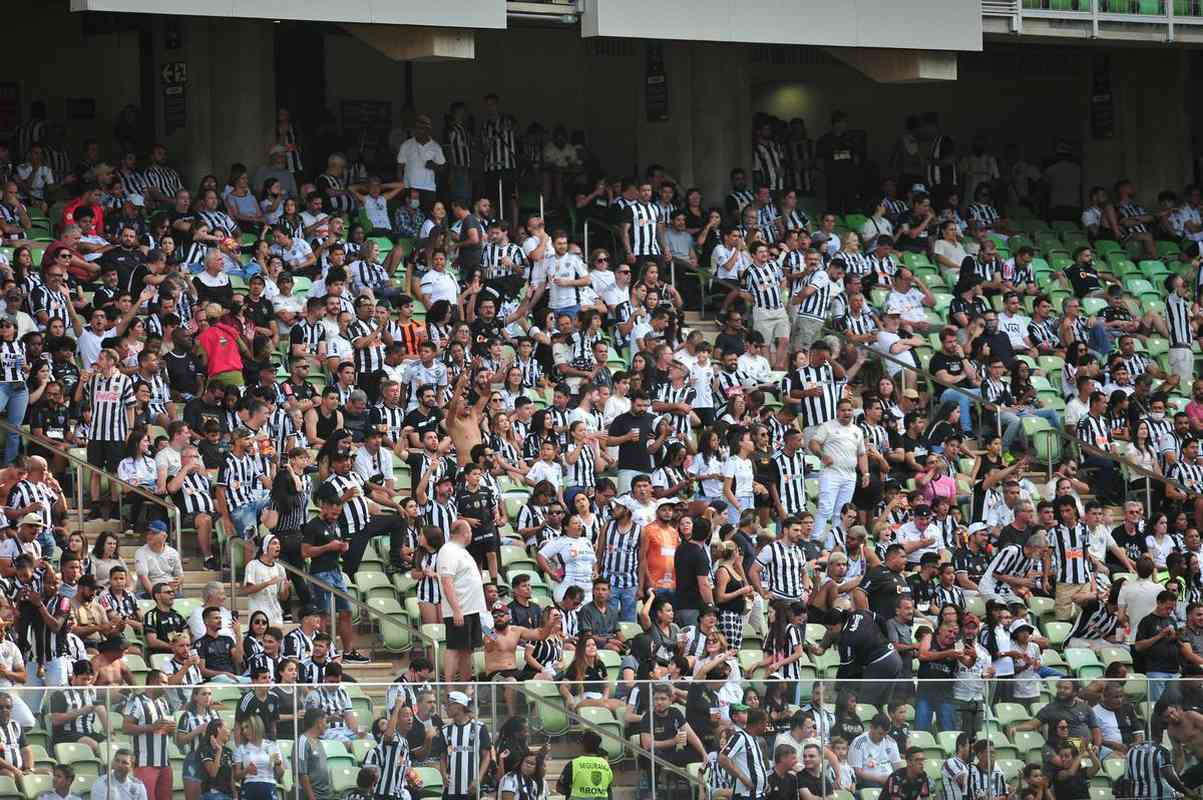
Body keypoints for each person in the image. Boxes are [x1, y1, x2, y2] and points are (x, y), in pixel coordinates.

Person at [437, 520, 487, 686]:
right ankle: (449, 686)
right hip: (459, 609)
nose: (471, 535)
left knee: (467, 649)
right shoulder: (448, 551)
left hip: (471, 609)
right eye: (470, 532)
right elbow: (447, 581)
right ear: (464, 533)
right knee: (454, 647)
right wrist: (456, 609)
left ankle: (466, 686)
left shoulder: (462, 551)